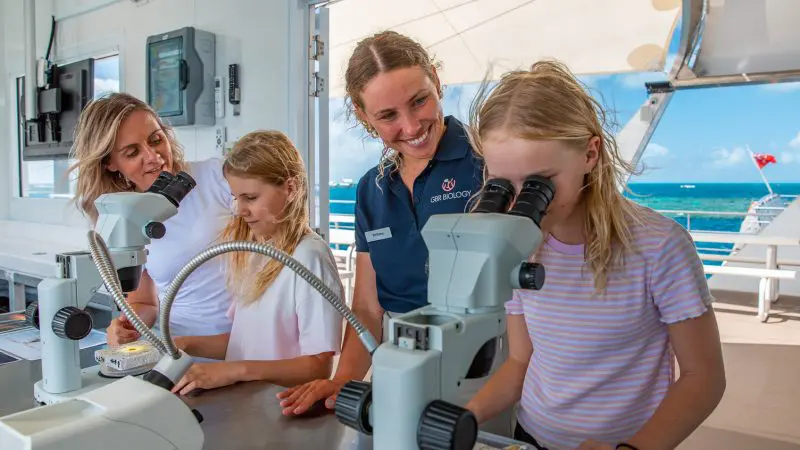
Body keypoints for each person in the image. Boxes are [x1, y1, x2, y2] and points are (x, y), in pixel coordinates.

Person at [462, 61, 726, 450]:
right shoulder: (516, 246)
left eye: (539, 183)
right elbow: (520, 362)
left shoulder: (660, 247)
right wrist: (465, 417)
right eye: (502, 184)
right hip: (532, 436)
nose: (520, 204)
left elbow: (703, 377)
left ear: (590, 152)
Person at [277, 30, 484, 415]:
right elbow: (369, 310)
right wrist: (342, 384)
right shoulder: (371, 191)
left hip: (483, 363)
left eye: (419, 101)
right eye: (388, 116)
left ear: (437, 82)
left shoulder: (487, 164)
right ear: (361, 114)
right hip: (402, 365)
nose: (411, 127)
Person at [170, 130, 344, 395]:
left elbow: (318, 367)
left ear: (290, 188)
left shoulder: (309, 257)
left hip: (277, 406)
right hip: (247, 404)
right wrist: (186, 343)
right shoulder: (255, 250)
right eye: (235, 197)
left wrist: (236, 370)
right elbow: (246, 341)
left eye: (250, 198)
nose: (240, 210)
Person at [69, 92, 234, 344]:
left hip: (247, 345)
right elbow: (144, 301)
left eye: (156, 140)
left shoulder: (217, 177)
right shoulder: (123, 215)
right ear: (110, 163)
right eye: (132, 152)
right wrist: (127, 325)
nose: (153, 156)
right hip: (182, 349)